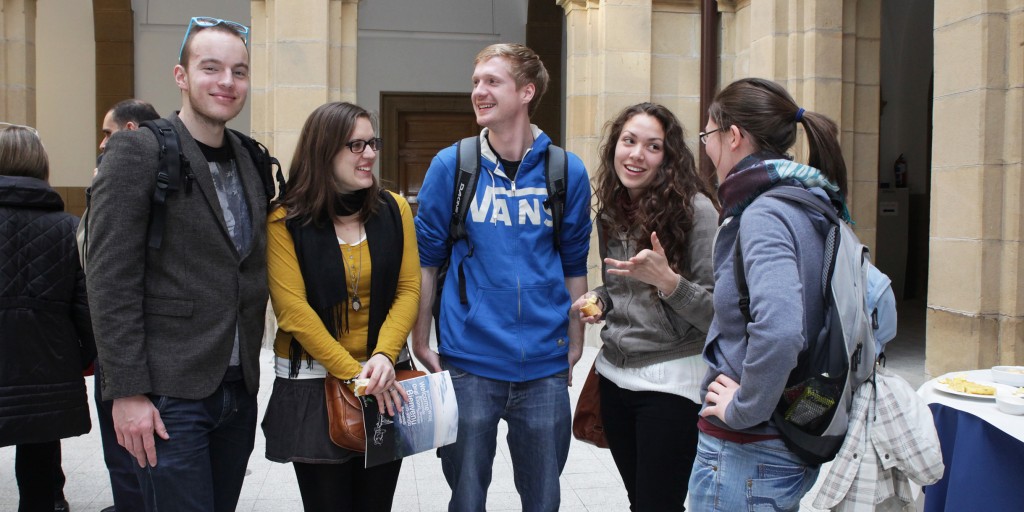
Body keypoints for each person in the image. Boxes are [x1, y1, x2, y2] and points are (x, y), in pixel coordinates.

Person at [86, 17, 268, 512]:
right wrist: (126, 393)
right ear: (181, 76)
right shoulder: (139, 150)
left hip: (237, 391)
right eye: (211, 68)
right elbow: (109, 280)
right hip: (168, 396)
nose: (227, 82)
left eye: (239, 71)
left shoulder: (250, 158)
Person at [411, 43, 592, 512]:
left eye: (492, 81)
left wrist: (576, 342)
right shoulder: (452, 166)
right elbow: (426, 262)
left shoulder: (566, 171)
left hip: (545, 365)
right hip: (469, 361)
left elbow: (575, 263)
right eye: (476, 82)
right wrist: (421, 340)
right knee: (467, 497)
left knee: (543, 499)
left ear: (526, 92)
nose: (478, 91)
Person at [688, 77, 850, 511]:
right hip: (781, 440)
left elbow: (780, 329)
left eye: (708, 135)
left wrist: (745, 408)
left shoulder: (765, 212)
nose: (707, 147)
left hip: (748, 450)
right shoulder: (811, 201)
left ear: (733, 136)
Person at [261, 101, 420, 512]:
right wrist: (354, 375)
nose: (369, 154)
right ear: (323, 151)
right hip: (313, 384)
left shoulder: (395, 209)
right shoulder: (284, 219)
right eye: (355, 145)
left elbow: (408, 289)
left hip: (384, 379)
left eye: (372, 143)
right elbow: (293, 311)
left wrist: (384, 356)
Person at [570, 103, 718, 511]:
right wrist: (600, 299)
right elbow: (621, 285)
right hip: (614, 378)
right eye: (629, 141)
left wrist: (669, 282)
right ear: (614, 147)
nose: (637, 154)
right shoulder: (613, 211)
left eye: (653, 146)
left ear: (669, 157)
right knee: (640, 501)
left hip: (671, 385)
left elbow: (718, 314)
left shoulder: (697, 211)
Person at [0, 123, 96, 512]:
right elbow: (87, 307)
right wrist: (79, 357)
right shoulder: (68, 229)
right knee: (40, 462)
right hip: (47, 366)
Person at [80, 99, 159, 512]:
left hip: (132, 346)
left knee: (133, 455)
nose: (102, 143)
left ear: (130, 131)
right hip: (118, 345)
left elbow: (102, 267)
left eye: (107, 134)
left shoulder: (130, 182)